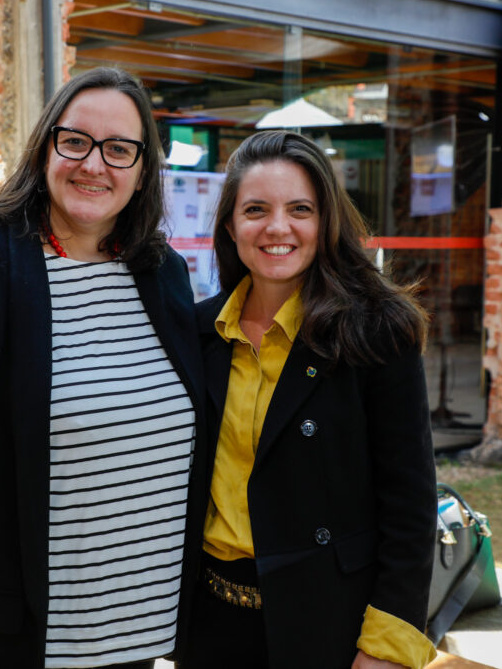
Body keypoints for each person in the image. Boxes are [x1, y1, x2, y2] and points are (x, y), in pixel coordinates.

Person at [0, 67, 205, 669]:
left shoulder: (161, 274)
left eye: (119, 149)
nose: (94, 164)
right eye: (75, 141)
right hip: (13, 635)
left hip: (140, 631)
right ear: (45, 147)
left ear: (142, 171)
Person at [179, 131, 437, 669]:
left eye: (301, 209)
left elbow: (409, 505)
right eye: (256, 209)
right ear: (229, 224)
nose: (278, 227)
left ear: (326, 223)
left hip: (328, 626)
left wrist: (387, 646)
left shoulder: (377, 332)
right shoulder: (198, 332)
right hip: (209, 625)